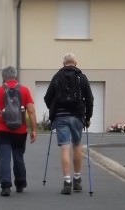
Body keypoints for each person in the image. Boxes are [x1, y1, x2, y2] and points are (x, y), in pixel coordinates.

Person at [44, 53, 93, 195]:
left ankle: (67, 182)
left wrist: (54, 108)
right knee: (77, 145)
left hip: (61, 117)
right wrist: (88, 117)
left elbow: (47, 98)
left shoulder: (57, 77)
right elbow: (89, 99)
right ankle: (77, 180)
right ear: (75, 63)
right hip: (77, 116)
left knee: (65, 147)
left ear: (63, 63)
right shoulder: (82, 77)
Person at [0, 66, 37, 197]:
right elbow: (31, 111)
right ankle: (20, 183)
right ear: (15, 76)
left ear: (3, 77)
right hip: (20, 130)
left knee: (4, 156)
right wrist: (34, 129)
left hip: (2, 129)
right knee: (18, 155)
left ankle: (5, 186)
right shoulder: (25, 90)